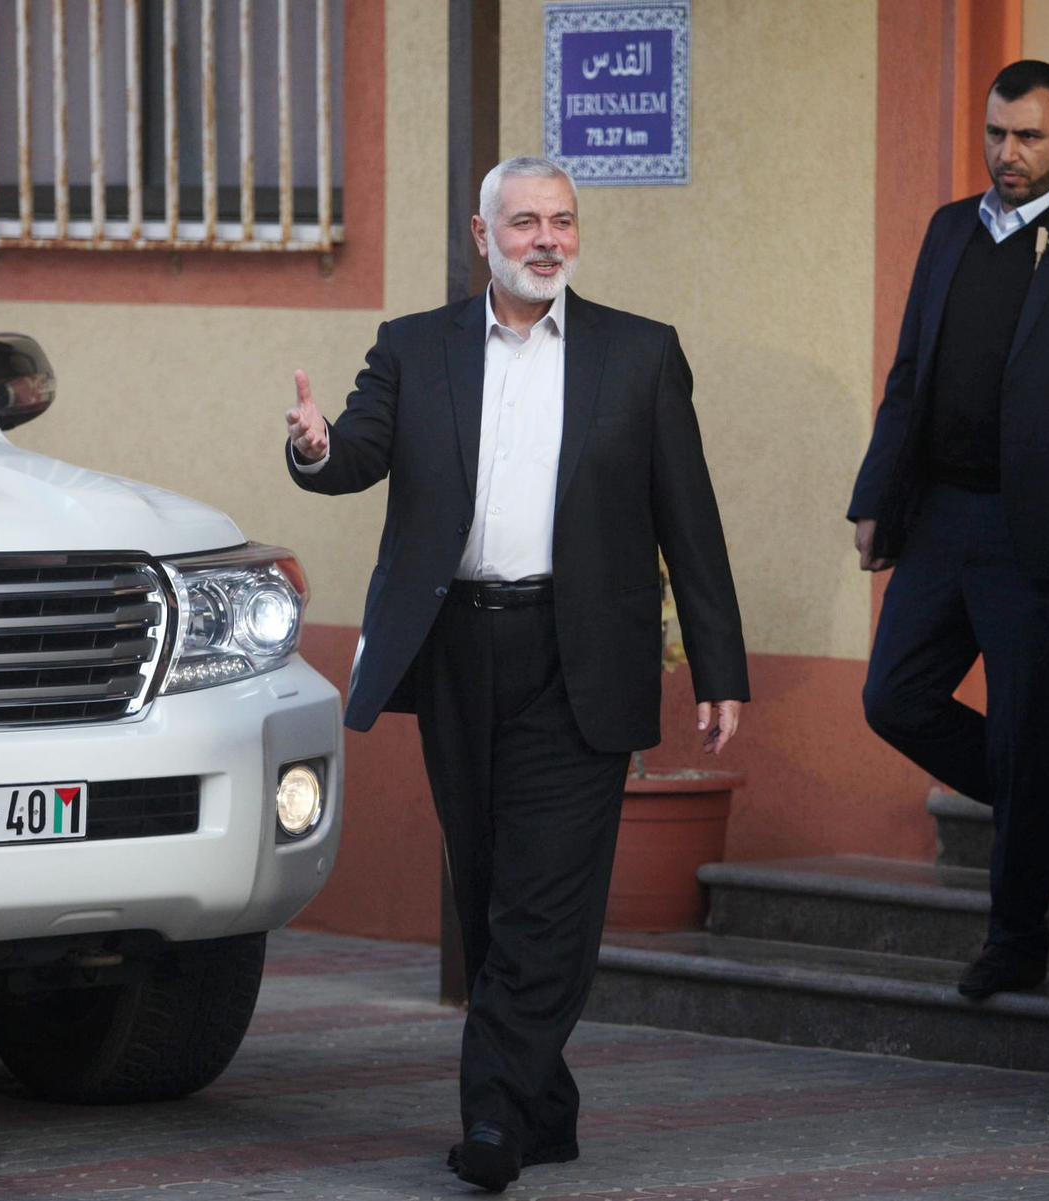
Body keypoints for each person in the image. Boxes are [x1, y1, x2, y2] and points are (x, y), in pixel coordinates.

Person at [284, 156, 748, 1192]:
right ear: (483, 239)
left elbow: (691, 519)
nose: (548, 239)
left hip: (576, 654)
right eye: (526, 223)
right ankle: (547, 1103)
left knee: (546, 893)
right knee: (495, 882)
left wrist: (719, 664)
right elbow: (356, 450)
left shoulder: (639, 354)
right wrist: (315, 447)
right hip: (456, 650)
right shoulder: (415, 348)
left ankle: (492, 1115)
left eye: (564, 222)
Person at [850, 60, 1049, 1004]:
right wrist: (876, 497)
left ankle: (1014, 940)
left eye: (1028, 136)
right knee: (893, 696)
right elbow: (909, 371)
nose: (1008, 153)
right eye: (996, 134)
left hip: (1039, 527)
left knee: (1027, 731)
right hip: (943, 514)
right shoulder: (953, 228)